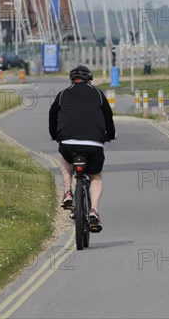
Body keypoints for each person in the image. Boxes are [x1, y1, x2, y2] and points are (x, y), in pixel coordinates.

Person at [49, 65, 116, 232]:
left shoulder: (63, 94)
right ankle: (93, 210)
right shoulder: (98, 94)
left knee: (65, 161)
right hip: (94, 144)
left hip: (68, 143)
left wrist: (55, 134)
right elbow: (108, 116)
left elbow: (52, 114)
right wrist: (110, 134)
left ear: (72, 79)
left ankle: (68, 192)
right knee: (96, 176)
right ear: (89, 79)